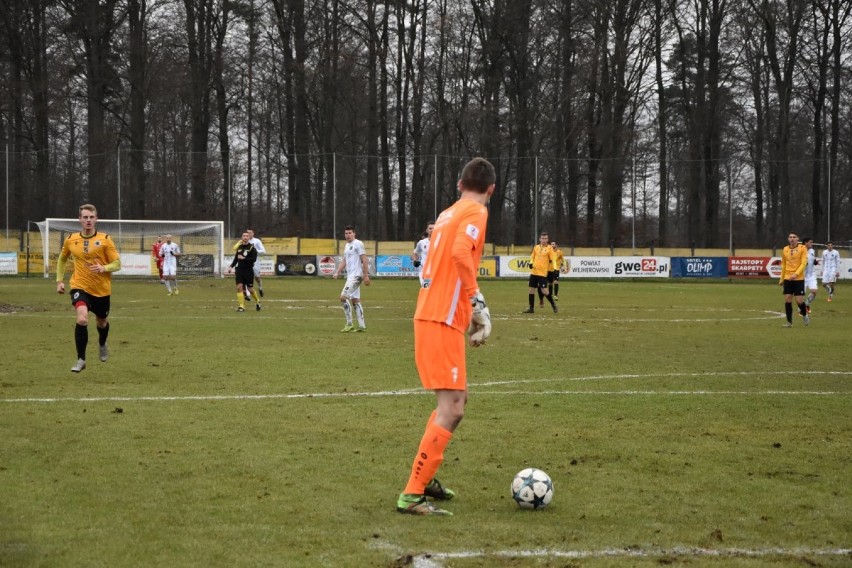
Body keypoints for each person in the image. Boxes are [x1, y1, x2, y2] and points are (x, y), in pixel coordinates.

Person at [396, 157, 495, 517]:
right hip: (440, 319)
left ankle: (424, 479)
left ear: (458, 184)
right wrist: (476, 300)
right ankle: (412, 493)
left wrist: (466, 311)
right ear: (491, 190)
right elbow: (457, 255)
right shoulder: (476, 212)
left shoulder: (447, 213)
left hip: (436, 316)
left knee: (456, 403)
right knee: (451, 408)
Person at [55, 204, 122, 372]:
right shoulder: (71, 239)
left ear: (96, 219)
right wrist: (59, 280)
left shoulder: (105, 239)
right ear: (79, 219)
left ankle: (102, 343)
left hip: (101, 290)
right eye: (85, 217)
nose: (88, 220)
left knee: (101, 322)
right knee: (82, 319)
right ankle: (81, 359)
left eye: (91, 217)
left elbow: (117, 264)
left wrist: (104, 268)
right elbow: (62, 259)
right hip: (79, 286)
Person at [333, 225, 371, 332]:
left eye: (350, 233)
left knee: (343, 297)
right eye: (346, 233)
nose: (348, 235)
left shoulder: (358, 244)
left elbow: (364, 259)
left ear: (354, 234)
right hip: (350, 276)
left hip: (356, 276)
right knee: (355, 300)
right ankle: (362, 326)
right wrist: (337, 272)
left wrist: (366, 275)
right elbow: (344, 260)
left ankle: (349, 324)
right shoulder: (347, 245)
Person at [778, 231, 809, 327]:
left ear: (797, 239)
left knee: (799, 301)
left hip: (798, 278)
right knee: (788, 299)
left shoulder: (802, 248)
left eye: (794, 237)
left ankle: (805, 314)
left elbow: (803, 263)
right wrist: (781, 278)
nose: (792, 239)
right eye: (790, 237)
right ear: (788, 239)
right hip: (788, 277)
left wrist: (796, 274)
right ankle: (789, 322)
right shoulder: (785, 249)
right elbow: (783, 264)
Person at [523, 232, 557, 313]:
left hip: (542, 273)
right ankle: (531, 308)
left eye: (545, 238)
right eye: (542, 238)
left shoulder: (550, 249)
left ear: (547, 240)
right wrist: (531, 263)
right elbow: (532, 257)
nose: (544, 240)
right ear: (540, 239)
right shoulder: (536, 247)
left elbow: (553, 260)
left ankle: (553, 304)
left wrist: (555, 269)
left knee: (544, 291)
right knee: (531, 289)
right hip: (534, 272)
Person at [226, 231, 260, 312]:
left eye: (247, 236)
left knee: (250, 289)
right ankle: (241, 306)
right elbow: (236, 258)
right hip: (239, 270)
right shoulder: (239, 247)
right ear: (242, 237)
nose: (245, 237)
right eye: (243, 236)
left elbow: (254, 259)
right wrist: (231, 266)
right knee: (239, 287)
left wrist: (244, 258)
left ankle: (258, 302)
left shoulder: (252, 248)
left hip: (248, 270)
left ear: (249, 238)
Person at [233, 229, 267, 299]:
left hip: (255, 262)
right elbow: (235, 249)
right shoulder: (242, 242)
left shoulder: (257, 241)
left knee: (257, 277)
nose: (248, 235)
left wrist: (254, 250)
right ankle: (247, 294)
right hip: (244, 264)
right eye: (247, 233)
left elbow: (263, 251)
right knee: (244, 278)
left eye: (250, 233)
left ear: (253, 234)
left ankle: (260, 287)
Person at [411, 221, 435, 286]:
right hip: (424, 271)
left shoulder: (440, 242)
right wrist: (415, 260)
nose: (432, 230)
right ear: (427, 230)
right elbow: (415, 253)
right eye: (430, 228)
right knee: (426, 289)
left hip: (436, 271)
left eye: (434, 228)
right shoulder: (422, 242)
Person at [802, 237, 818, 313]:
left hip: (811, 275)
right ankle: (801, 309)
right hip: (802, 276)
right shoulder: (801, 250)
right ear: (805, 243)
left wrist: (815, 262)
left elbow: (813, 259)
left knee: (814, 291)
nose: (812, 244)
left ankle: (806, 304)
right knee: (801, 295)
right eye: (810, 242)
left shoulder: (812, 251)